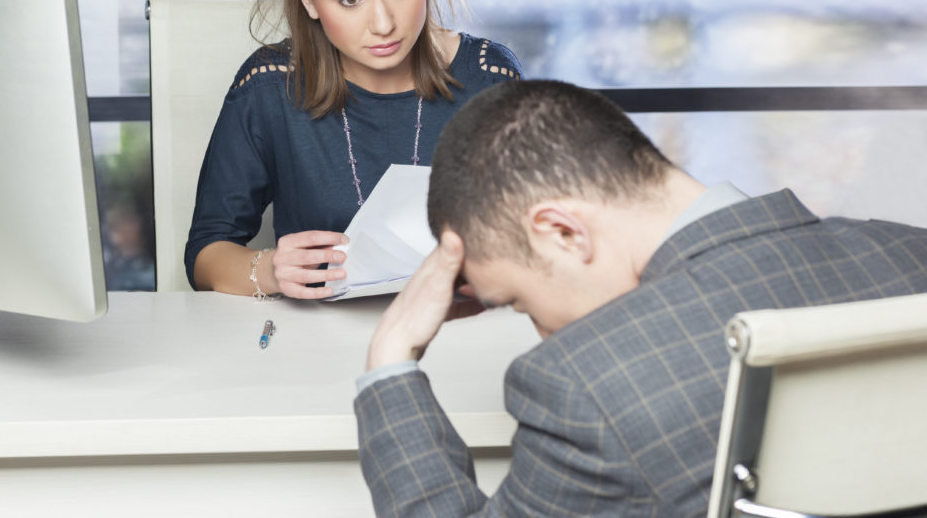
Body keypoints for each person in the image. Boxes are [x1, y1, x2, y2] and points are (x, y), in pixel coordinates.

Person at [355, 79, 927, 517]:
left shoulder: (584, 384)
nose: (544, 332)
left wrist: (391, 363)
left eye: (520, 303)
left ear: (562, 231)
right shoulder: (912, 255)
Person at [185, 0, 522, 298]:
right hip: (315, 345)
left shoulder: (490, 79)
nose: (383, 24)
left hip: (459, 334)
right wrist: (271, 270)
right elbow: (205, 255)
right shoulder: (270, 87)